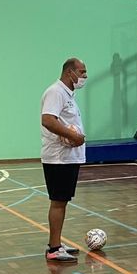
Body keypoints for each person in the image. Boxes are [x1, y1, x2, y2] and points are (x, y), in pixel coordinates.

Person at [40, 58, 88, 262]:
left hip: (68, 158)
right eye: (82, 72)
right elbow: (48, 120)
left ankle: (57, 243)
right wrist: (73, 135)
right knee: (58, 202)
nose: (85, 76)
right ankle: (54, 248)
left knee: (62, 201)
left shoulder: (68, 95)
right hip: (58, 158)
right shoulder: (55, 92)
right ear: (70, 72)